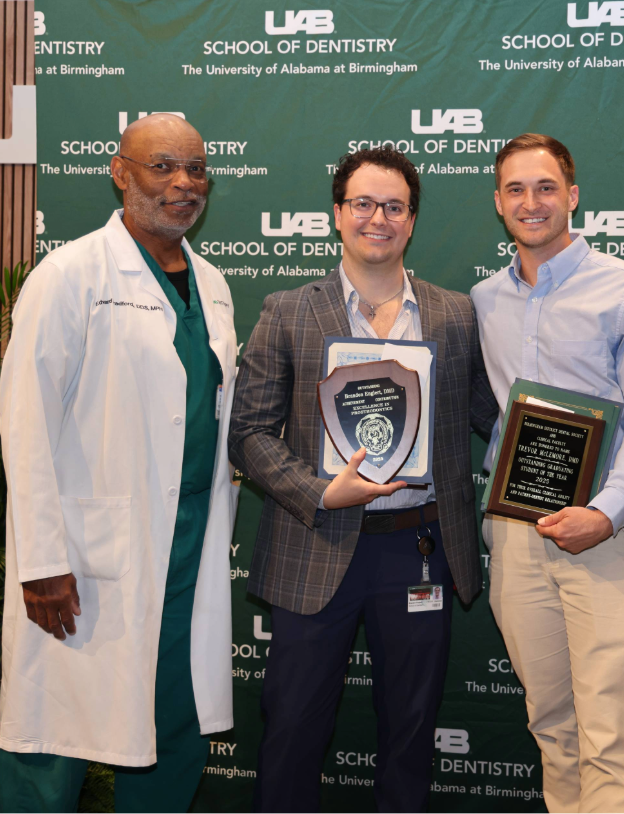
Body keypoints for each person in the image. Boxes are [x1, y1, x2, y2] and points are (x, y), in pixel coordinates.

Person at [229, 145, 499, 813]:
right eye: (363, 204)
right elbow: (248, 435)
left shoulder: (456, 314)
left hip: (418, 550)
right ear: (337, 214)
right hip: (314, 540)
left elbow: (493, 420)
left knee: (410, 732)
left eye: (394, 206)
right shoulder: (288, 310)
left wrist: (575, 439)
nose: (377, 218)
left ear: (411, 221)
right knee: (291, 727)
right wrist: (319, 491)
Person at [0, 113, 238, 812]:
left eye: (195, 168)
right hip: (87, 555)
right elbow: (23, 421)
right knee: (53, 740)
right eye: (162, 166)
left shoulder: (214, 283)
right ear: (120, 171)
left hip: (187, 544)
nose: (183, 183)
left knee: (171, 723)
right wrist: (40, 558)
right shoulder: (70, 275)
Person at [471, 133, 624, 813]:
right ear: (499, 203)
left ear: (573, 196)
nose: (533, 202)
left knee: (610, 736)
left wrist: (608, 511)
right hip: (519, 541)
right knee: (551, 726)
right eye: (517, 190)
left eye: (547, 187)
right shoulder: (483, 299)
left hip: (607, 537)